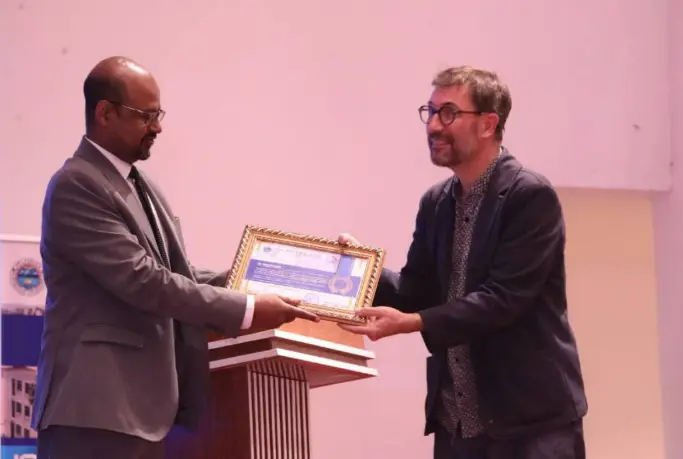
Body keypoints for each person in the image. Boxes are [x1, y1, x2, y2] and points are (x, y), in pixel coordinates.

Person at [32, 56, 319, 459]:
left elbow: (176, 271)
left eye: (158, 114)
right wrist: (248, 309)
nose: (158, 127)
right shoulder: (76, 184)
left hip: (139, 410)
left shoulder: (138, 183)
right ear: (105, 113)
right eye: (146, 116)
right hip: (94, 411)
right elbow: (146, 281)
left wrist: (256, 281)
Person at [338, 66, 587, 459]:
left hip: (529, 422)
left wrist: (413, 323)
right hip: (456, 423)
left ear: (488, 124)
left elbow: (503, 299)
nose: (434, 125)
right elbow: (416, 291)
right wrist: (361, 270)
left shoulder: (529, 196)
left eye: (449, 113)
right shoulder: (436, 202)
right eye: (431, 111)